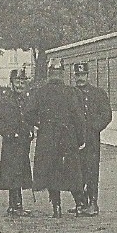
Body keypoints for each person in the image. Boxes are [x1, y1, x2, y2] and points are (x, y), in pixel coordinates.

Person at [23, 60, 87, 218]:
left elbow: (28, 114)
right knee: (72, 171)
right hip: (68, 137)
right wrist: (80, 139)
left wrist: (40, 123)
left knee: (51, 171)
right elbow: (79, 118)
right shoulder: (71, 92)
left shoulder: (39, 92)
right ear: (62, 74)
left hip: (47, 138)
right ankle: (79, 205)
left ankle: (56, 207)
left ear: (48, 74)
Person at [0, 70, 34, 217]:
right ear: (12, 82)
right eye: (17, 82)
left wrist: (31, 130)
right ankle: (15, 205)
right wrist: (9, 133)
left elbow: (29, 118)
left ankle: (16, 205)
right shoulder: (4, 100)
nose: (20, 85)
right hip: (11, 143)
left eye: (23, 82)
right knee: (12, 173)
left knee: (20, 172)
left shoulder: (26, 100)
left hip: (23, 143)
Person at [71, 62, 113, 216]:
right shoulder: (71, 94)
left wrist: (94, 128)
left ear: (88, 75)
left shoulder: (98, 93)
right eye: (77, 75)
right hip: (75, 140)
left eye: (83, 75)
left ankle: (93, 203)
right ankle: (80, 202)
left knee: (91, 170)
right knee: (76, 171)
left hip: (92, 140)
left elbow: (106, 115)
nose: (80, 78)